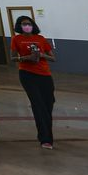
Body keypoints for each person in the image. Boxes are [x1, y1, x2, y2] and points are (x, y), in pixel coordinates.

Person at [11, 15, 57, 149]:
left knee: (48, 104)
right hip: (27, 74)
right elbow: (13, 58)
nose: (27, 26)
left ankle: (45, 131)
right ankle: (46, 138)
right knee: (38, 105)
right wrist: (27, 58)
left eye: (29, 23)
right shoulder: (16, 39)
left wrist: (42, 55)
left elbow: (53, 58)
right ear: (20, 26)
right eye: (24, 24)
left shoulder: (40, 39)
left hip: (45, 74)